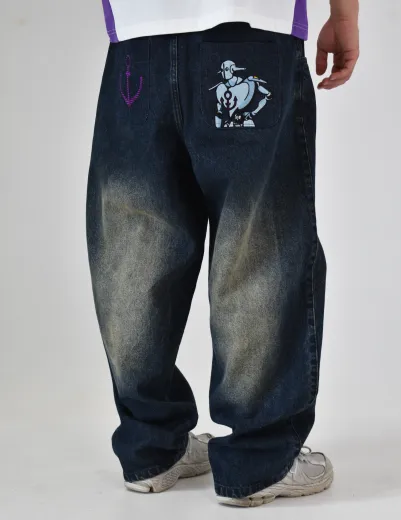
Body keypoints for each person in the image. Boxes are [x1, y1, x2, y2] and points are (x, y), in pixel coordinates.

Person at [87, 0, 359, 508]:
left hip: (137, 42)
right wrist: (345, 16)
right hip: (253, 28)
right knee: (258, 246)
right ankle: (259, 458)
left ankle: (152, 446)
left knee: (136, 248)